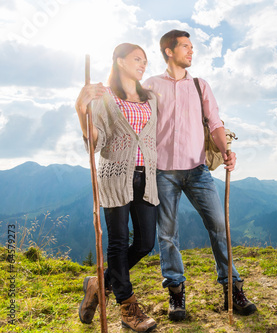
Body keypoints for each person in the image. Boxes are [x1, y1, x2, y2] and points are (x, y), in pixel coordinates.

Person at [143, 30, 257, 321]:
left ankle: (233, 289)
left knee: (220, 226)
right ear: (169, 51)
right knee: (167, 235)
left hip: (197, 169)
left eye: (192, 47)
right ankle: (176, 295)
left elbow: (215, 122)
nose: (191, 52)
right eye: (185, 47)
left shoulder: (199, 85)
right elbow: (137, 119)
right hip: (162, 171)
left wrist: (225, 151)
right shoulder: (151, 85)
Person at [75, 43, 158, 332]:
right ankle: (128, 307)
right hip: (114, 175)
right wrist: (80, 109)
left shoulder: (151, 98)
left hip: (146, 177)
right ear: (119, 61)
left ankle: (99, 283)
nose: (143, 64)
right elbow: (95, 141)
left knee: (146, 242)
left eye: (145, 60)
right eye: (137, 58)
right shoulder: (105, 97)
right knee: (119, 243)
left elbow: (152, 139)